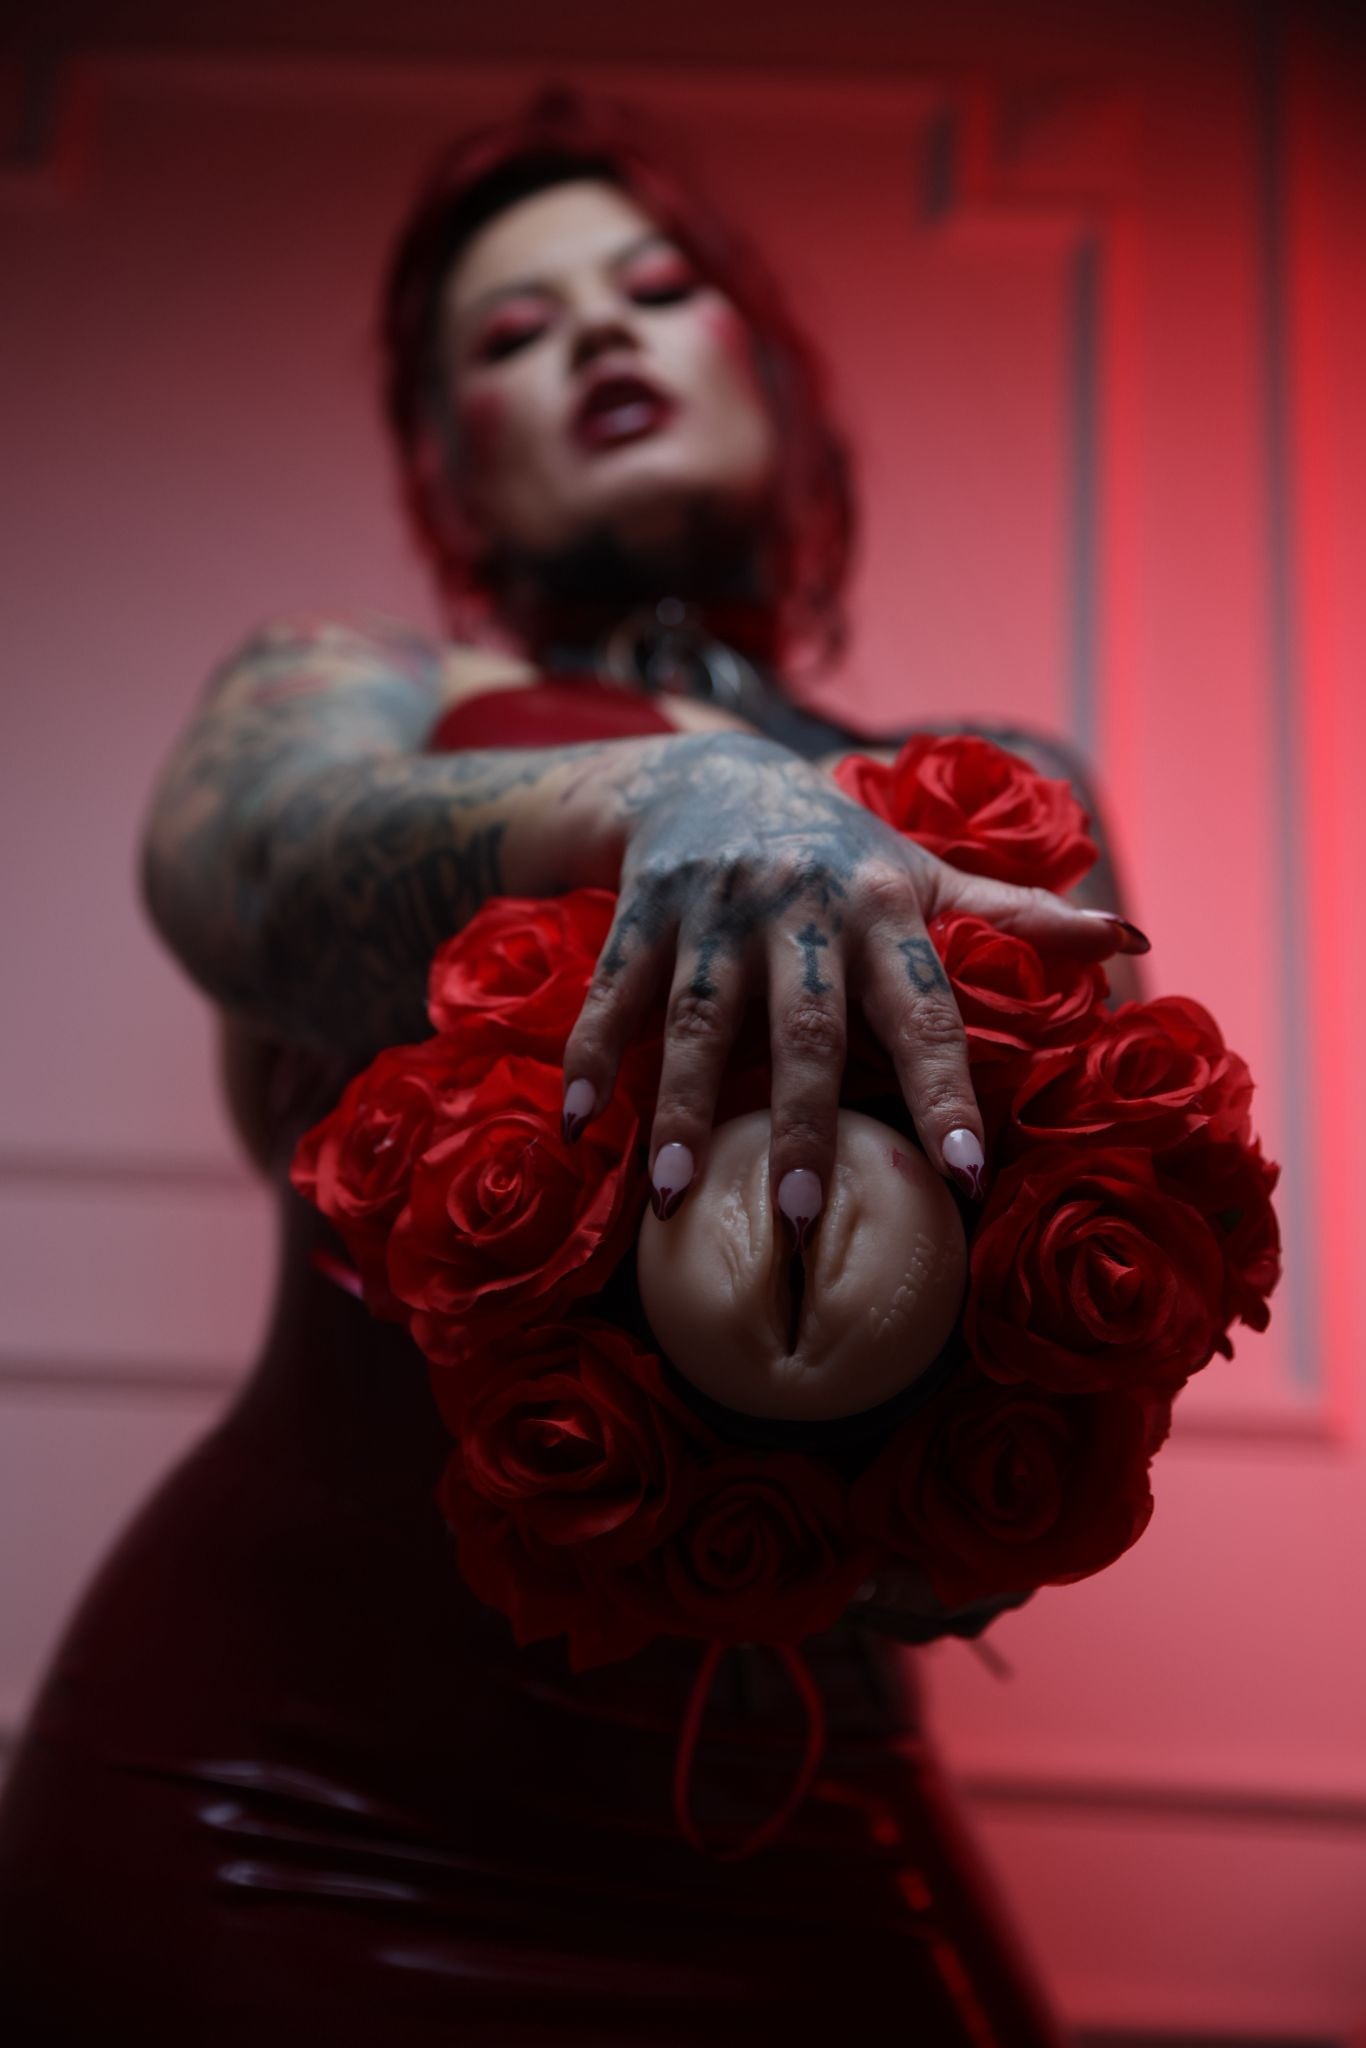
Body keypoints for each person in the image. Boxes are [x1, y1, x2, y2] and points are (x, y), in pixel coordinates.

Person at [0, 88, 1149, 2044]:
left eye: (656, 288)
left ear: (767, 376)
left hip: (796, 1797)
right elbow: (242, 865)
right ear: (452, 470)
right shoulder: (360, 688)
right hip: (280, 1795)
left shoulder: (1003, 788)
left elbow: (1081, 1295)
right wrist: (668, 795)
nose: (600, 332)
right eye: (516, 334)